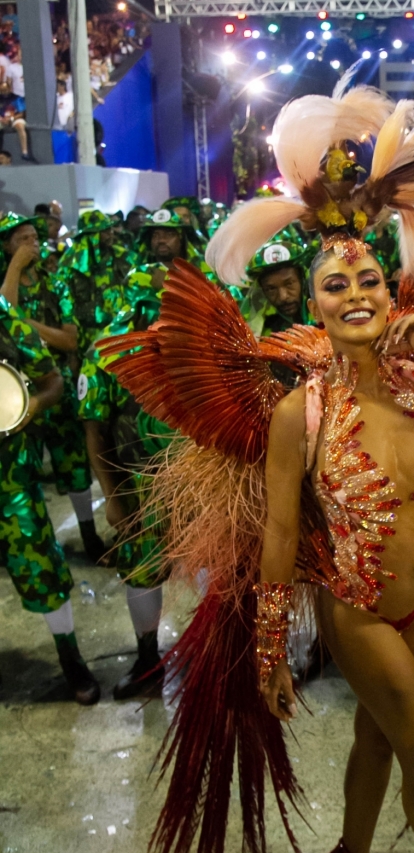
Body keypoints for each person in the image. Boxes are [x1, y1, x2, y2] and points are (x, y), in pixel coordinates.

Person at [101, 87, 414, 853]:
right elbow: (280, 534)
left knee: (384, 741)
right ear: (310, 303)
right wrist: (272, 649)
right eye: (333, 284)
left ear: (392, 293)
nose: (355, 292)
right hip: (361, 613)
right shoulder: (298, 413)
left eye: (370, 279)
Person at [78, 209, 242, 700]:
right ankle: (147, 660)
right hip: (138, 487)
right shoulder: (110, 347)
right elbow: (94, 429)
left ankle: (216, 658)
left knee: (217, 567)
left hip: (205, 483)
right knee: (142, 571)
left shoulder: (210, 337)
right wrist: (110, 495)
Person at [0, 296, 100, 705]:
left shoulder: (8, 324)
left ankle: (71, 659)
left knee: (40, 567)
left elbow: (54, 382)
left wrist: (26, 409)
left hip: (10, 482)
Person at [0, 213, 107, 562]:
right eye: (22, 240)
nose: (32, 244)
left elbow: (69, 340)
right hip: (14, 396)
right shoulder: (5, 283)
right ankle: (33, 545)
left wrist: (25, 324)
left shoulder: (56, 284)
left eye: (34, 237)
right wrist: (15, 268)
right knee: (23, 474)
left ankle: (89, 535)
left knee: (74, 467)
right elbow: (4, 314)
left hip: (55, 387)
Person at [57, 210, 132, 360]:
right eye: (104, 231)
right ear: (90, 236)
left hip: (123, 333)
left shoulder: (122, 257)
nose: (110, 234)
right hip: (88, 338)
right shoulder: (70, 266)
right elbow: (66, 311)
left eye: (110, 229)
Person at [240, 227, 309, 336]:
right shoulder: (259, 334)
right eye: (271, 289)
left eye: (289, 284)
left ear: (302, 280)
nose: (283, 297)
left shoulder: (328, 313)